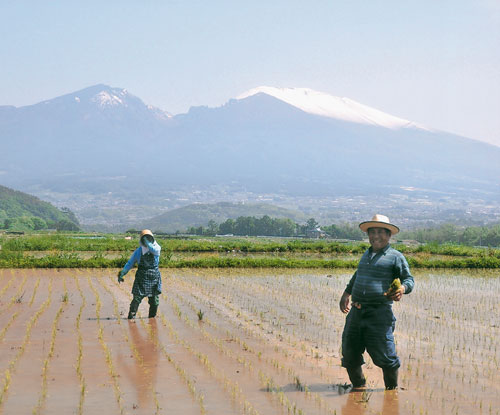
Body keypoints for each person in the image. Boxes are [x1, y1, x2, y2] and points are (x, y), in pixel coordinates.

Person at [339, 214, 414, 390]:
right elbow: (358, 275)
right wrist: (346, 293)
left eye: (381, 232)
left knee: (386, 357)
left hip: (379, 314)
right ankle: (359, 388)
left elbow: (409, 280)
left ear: (389, 235)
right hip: (356, 313)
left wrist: (402, 289)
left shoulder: (395, 257)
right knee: (349, 354)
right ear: (368, 235)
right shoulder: (366, 255)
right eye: (372, 232)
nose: (376, 236)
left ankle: (391, 392)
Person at [118, 229, 162, 319]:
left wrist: (148, 243)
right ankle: (131, 316)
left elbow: (153, 249)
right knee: (137, 298)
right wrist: (122, 273)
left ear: (152, 239)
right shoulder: (138, 251)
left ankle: (152, 318)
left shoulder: (157, 248)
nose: (147, 240)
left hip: (154, 277)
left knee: (154, 301)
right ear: (141, 240)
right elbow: (130, 263)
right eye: (145, 239)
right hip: (142, 277)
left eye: (149, 238)